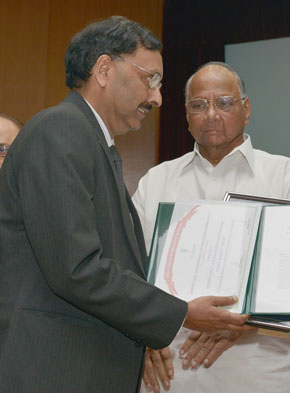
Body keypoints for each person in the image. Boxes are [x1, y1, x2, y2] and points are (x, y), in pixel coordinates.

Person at [0, 17, 248, 393]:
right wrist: (182, 314)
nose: (157, 97)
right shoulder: (60, 131)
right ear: (104, 69)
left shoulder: (94, 143)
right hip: (55, 371)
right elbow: (77, 268)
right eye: (151, 79)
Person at [133, 61, 290, 393]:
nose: (211, 114)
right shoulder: (157, 182)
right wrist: (144, 334)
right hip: (175, 375)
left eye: (224, 102)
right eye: (199, 105)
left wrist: (243, 323)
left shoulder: (284, 176)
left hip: (267, 372)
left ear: (246, 109)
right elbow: (130, 273)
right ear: (186, 115)